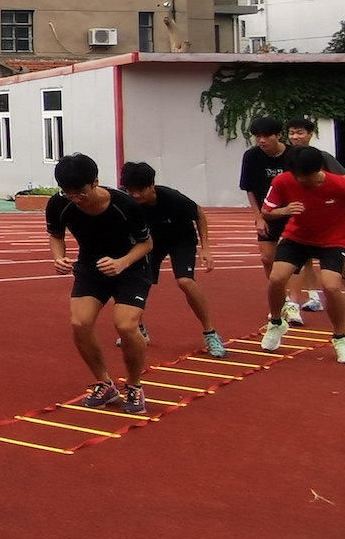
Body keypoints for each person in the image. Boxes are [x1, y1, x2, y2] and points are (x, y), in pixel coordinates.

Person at [259, 147, 345, 364]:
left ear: (318, 170)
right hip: (297, 237)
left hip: (333, 240)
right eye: (296, 175)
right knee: (276, 278)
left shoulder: (339, 184)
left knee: (330, 286)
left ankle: (340, 338)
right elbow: (267, 212)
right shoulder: (282, 181)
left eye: (306, 176)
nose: (301, 180)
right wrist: (285, 211)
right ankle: (276, 323)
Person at [46, 153, 154, 415]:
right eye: (68, 193)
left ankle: (135, 386)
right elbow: (56, 236)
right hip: (91, 267)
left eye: (81, 193)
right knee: (80, 323)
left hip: (131, 268)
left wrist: (122, 263)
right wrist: (58, 258)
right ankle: (105, 383)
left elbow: (146, 244)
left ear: (95, 182)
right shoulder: (59, 204)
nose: (75, 199)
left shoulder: (125, 205)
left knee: (126, 325)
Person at [118, 162, 227, 358]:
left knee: (185, 281)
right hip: (151, 243)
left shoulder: (171, 197)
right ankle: (138, 328)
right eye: (130, 190)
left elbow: (199, 214)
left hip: (181, 240)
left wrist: (206, 248)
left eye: (140, 190)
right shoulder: (128, 202)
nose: (135, 195)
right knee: (139, 281)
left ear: (151, 186)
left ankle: (210, 333)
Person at [285, 117, 345, 317]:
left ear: (310, 134)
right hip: (298, 214)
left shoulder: (321, 157)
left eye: (300, 132)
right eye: (291, 133)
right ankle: (312, 297)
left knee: (337, 264)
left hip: (326, 217)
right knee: (302, 261)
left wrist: (325, 191)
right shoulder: (286, 157)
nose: (295, 137)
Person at [239, 117, 305, 326]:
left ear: (279, 136)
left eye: (266, 136)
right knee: (267, 258)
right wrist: (258, 217)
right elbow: (249, 188)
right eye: (257, 137)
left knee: (293, 260)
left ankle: (293, 304)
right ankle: (280, 300)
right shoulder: (251, 156)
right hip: (267, 213)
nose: (261, 140)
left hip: (292, 213)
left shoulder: (293, 155)